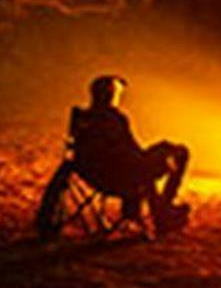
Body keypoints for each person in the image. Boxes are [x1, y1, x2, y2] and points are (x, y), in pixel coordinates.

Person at [60, 73, 190, 236]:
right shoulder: (117, 119)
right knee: (179, 153)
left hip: (92, 174)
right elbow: (134, 151)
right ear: (111, 95)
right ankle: (163, 209)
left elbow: (72, 149)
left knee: (146, 164)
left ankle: (159, 210)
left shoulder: (82, 117)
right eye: (117, 93)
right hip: (123, 176)